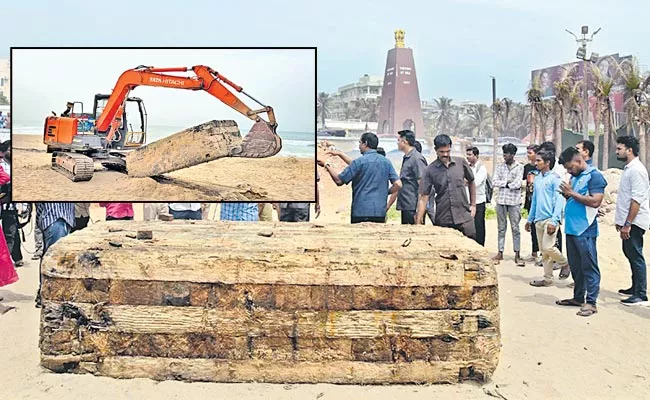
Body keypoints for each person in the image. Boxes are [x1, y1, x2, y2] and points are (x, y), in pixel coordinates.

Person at [557, 146, 607, 316]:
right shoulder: (575, 176)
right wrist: (567, 195)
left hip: (585, 230)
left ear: (579, 161)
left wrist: (571, 193)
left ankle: (591, 302)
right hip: (571, 229)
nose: (569, 171)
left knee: (589, 266)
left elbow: (595, 201)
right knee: (576, 267)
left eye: (570, 167)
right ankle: (578, 297)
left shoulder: (595, 176)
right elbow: (576, 197)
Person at [319, 132, 401, 224]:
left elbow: (339, 180)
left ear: (365, 143)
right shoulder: (386, 162)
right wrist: (386, 192)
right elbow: (398, 184)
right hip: (379, 211)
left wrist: (326, 165)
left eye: (359, 143)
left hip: (360, 211)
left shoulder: (359, 162)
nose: (359, 146)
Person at [415, 134, 476, 239]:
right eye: (442, 152)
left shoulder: (461, 163)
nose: (445, 154)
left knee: (472, 246)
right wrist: (418, 220)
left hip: (464, 216)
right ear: (436, 150)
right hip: (444, 218)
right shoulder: (430, 170)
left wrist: (473, 205)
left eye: (448, 151)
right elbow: (423, 197)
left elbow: (471, 181)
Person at [526, 150, 570, 287]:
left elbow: (559, 201)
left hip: (550, 219)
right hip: (538, 219)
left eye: (539, 161)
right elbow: (534, 201)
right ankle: (547, 278)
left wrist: (555, 220)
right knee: (544, 252)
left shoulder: (555, 179)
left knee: (548, 247)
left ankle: (565, 263)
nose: (536, 162)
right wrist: (529, 219)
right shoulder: (538, 178)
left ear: (547, 163)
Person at [614, 136, 650, 306]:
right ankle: (635, 287)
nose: (617, 151)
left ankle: (641, 294)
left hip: (634, 222)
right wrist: (620, 221)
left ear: (629, 150)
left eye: (619, 149)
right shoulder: (629, 169)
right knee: (629, 253)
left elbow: (636, 200)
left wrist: (628, 223)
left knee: (635, 255)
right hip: (628, 221)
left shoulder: (637, 170)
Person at [35, 203, 75, 307]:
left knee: (54, 258)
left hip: (60, 219)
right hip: (56, 218)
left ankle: (46, 292)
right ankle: (47, 294)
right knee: (54, 259)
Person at [493, 143, 525, 265]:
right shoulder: (500, 166)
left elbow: (517, 184)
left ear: (513, 154)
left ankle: (517, 253)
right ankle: (500, 252)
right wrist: (508, 183)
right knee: (501, 228)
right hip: (501, 200)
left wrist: (505, 183)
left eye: (506, 154)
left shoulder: (519, 167)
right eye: (504, 154)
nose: (504, 156)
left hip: (514, 201)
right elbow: (495, 181)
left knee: (515, 228)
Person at [387, 130, 427, 225]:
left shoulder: (416, 159)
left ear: (405, 142)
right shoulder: (407, 157)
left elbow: (422, 185)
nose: (397, 143)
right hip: (406, 205)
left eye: (399, 140)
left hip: (412, 206)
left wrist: (419, 210)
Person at [465, 146, 488, 245]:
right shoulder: (467, 167)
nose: (468, 157)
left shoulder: (481, 168)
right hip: (468, 202)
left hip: (478, 202)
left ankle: (480, 246)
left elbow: (475, 183)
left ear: (476, 155)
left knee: (479, 226)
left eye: (470, 155)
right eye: (467, 155)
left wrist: (467, 181)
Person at [523, 145, 540, 263]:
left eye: (530, 153)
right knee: (532, 227)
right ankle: (534, 252)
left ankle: (543, 253)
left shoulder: (542, 167)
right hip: (530, 201)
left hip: (540, 202)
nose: (528, 155)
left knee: (541, 228)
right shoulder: (527, 168)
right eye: (527, 153)